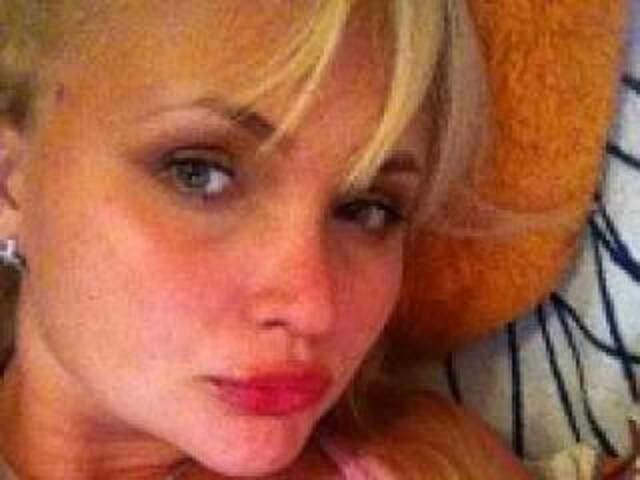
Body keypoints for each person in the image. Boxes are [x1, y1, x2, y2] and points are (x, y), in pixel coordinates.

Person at [0, 1, 531, 478]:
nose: (314, 309)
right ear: (9, 183)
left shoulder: (433, 462)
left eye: (368, 209)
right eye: (199, 174)